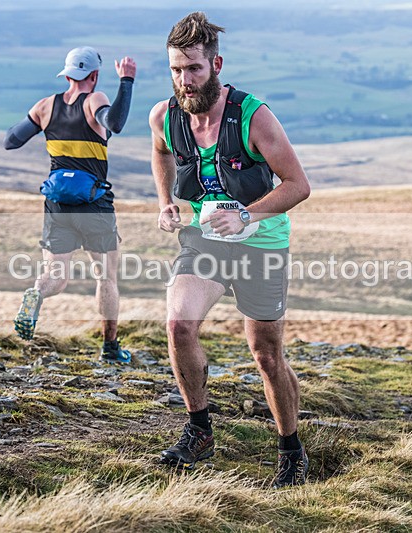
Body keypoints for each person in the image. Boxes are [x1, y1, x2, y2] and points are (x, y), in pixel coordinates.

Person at [148, 12, 311, 488]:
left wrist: (247, 215)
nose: (185, 79)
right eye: (177, 69)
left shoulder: (253, 115)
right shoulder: (165, 115)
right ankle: (199, 431)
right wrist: (164, 203)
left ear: (215, 64)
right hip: (205, 239)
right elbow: (160, 152)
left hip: (261, 242)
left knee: (265, 353)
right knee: (179, 324)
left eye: (194, 68)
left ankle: (290, 449)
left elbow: (298, 185)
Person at [3, 46, 136, 363]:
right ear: (94, 75)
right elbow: (114, 123)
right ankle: (110, 348)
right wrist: (127, 82)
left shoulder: (45, 106)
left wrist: (41, 123)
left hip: (57, 203)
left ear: (66, 74)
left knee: (56, 276)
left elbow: (11, 140)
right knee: (106, 277)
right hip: (94, 204)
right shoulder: (95, 100)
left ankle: (37, 293)